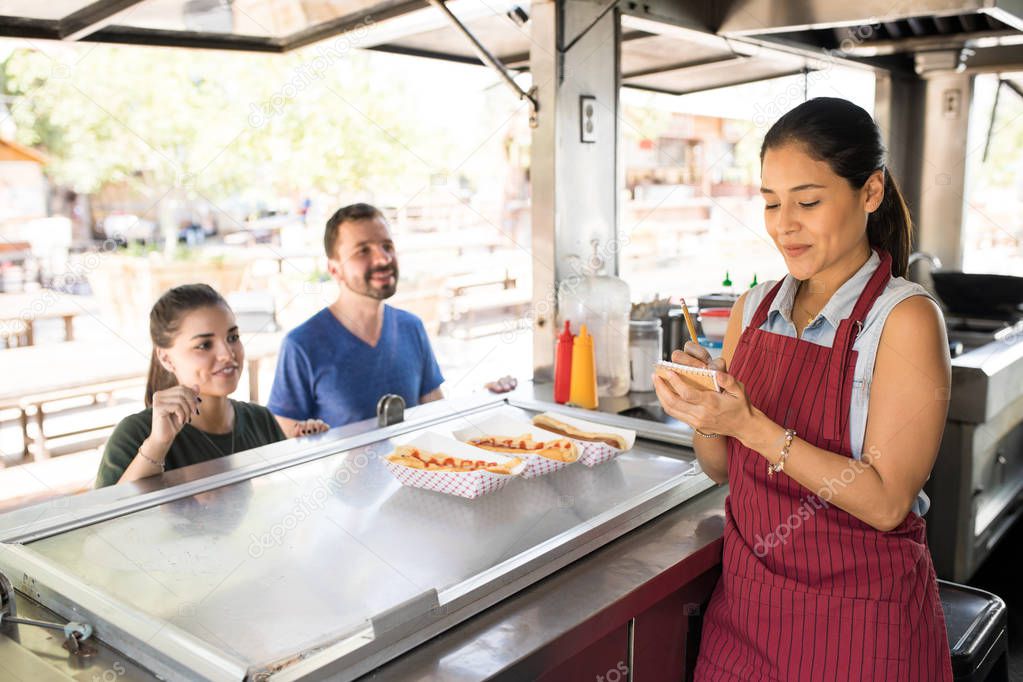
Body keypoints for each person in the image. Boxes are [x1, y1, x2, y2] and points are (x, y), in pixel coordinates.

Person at [653, 97, 953, 681]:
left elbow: (887, 503)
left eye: (808, 202)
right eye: (769, 203)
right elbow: (722, 469)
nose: (783, 224)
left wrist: (750, 425)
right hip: (744, 619)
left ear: (870, 193)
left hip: (861, 629)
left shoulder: (904, 320)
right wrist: (705, 411)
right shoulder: (754, 308)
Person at [96, 284, 327, 487]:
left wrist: (310, 447)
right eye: (204, 345)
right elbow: (102, 530)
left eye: (233, 338)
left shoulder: (261, 420)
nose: (227, 354)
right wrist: (158, 443)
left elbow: (284, 502)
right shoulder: (135, 434)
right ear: (166, 358)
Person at [267, 203, 444, 431]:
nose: (383, 259)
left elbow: (438, 414)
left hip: (413, 465)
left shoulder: (412, 327)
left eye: (387, 246)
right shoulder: (301, 345)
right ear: (334, 269)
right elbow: (282, 434)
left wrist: (486, 397)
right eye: (363, 251)